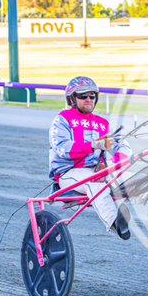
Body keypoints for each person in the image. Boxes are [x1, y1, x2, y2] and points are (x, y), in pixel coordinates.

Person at [48, 76, 133, 240]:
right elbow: (62, 148)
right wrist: (93, 145)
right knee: (94, 182)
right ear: (71, 99)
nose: (88, 99)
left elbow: (123, 147)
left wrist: (113, 164)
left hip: (99, 171)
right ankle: (115, 222)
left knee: (140, 178)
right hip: (69, 172)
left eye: (92, 95)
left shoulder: (103, 123)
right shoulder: (62, 119)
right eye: (83, 95)